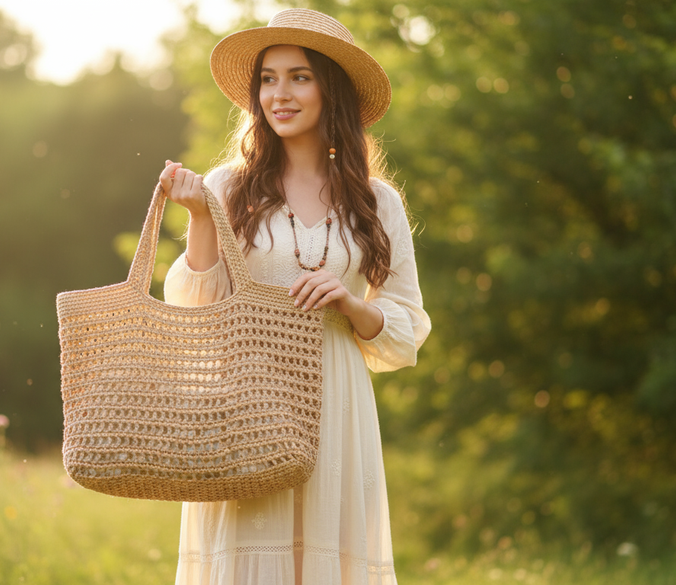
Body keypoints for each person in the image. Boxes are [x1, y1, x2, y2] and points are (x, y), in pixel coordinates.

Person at [158, 8, 430, 585]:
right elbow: (196, 311)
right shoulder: (227, 186)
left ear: (331, 89)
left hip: (338, 401)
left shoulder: (379, 203)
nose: (279, 94)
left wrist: (353, 306)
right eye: (268, 78)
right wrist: (200, 218)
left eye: (299, 76)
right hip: (248, 404)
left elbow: (407, 326)